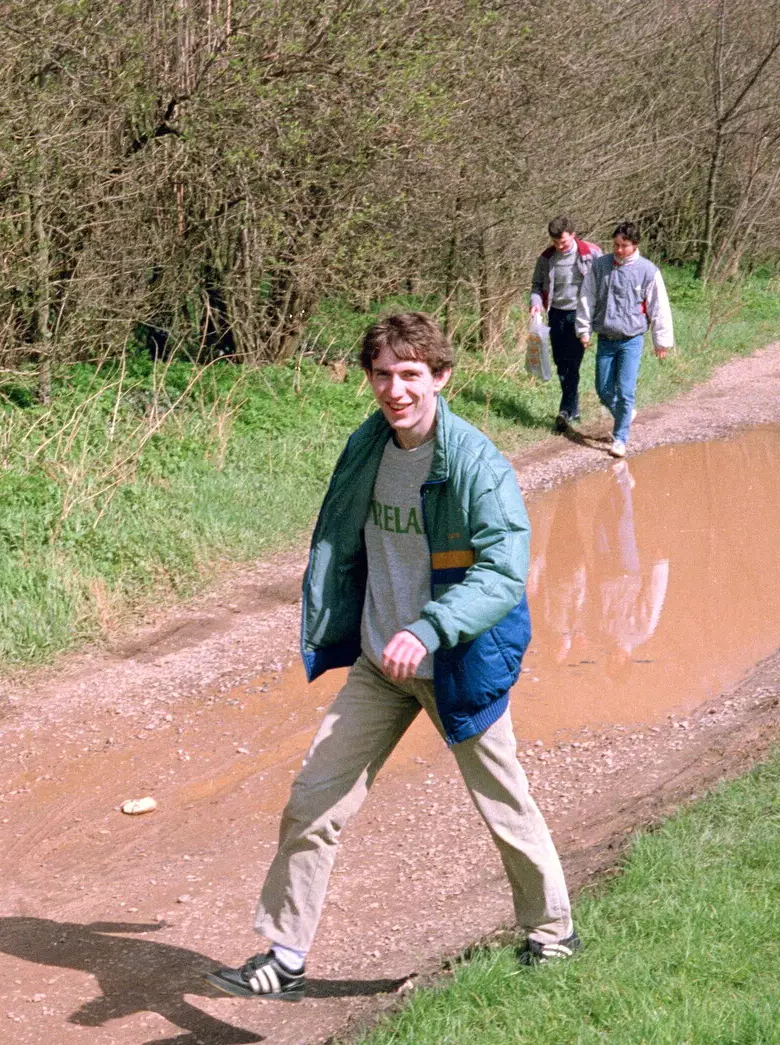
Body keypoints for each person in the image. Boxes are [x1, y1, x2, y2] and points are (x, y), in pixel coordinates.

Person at [207, 312, 578, 1003]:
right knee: (314, 799)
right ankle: (285, 955)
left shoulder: (474, 462)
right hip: (383, 665)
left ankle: (552, 932)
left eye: (410, 374)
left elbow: (502, 572)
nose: (395, 388)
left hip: (456, 660)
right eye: (382, 373)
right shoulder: (368, 446)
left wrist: (431, 629)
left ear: (440, 377)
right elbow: (339, 540)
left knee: (503, 800)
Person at [576, 221, 674, 458]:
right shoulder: (600, 266)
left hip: (632, 339)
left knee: (626, 389)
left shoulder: (648, 271)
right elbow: (587, 297)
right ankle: (626, 413)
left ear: (635, 245)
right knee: (603, 389)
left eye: (624, 245)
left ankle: (620, 438)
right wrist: (583, 329)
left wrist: (661, 341)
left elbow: (659, 307)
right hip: (606, 338)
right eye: (616, 245)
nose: (619, 250)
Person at [529, 215, 604, 430]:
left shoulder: (591, 254)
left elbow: (606, 280)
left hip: (581, 315)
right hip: (556, 314)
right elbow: (536, 285)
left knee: (573, 362)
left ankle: (564, 410)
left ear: (573, 234)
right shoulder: (546, 258)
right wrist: (535, 303)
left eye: (563, 241)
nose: (559, 246)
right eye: (555, 242)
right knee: (561, 362)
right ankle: (574, 408)